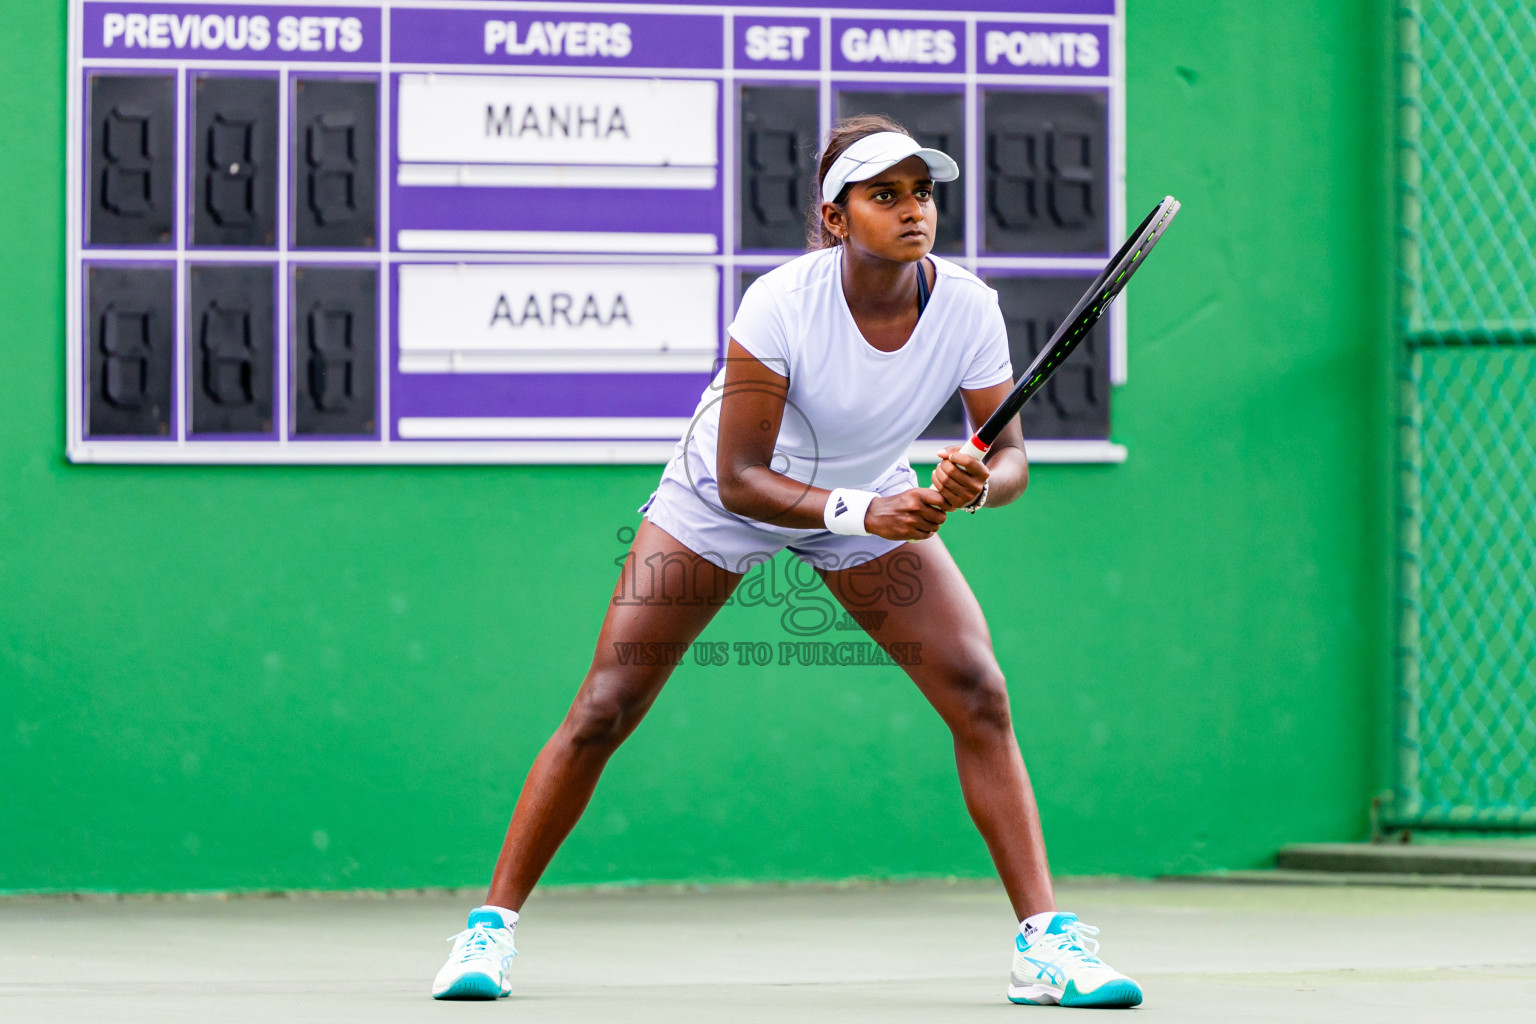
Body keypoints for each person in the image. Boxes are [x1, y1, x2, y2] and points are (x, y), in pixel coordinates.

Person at [429, 115, 1143, 1009]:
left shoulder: (967, 305)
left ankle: (1046, 946)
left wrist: (970, 488)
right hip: (722, 500)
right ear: (836, 218)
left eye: (922, 192)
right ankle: (489, 932)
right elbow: (739, 478)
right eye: (885, 194)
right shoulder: (778, 301)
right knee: (606, 706)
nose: (913, 209)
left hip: (865, 489)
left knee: (978, 691)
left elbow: (1012, 463)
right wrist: (866, 511)